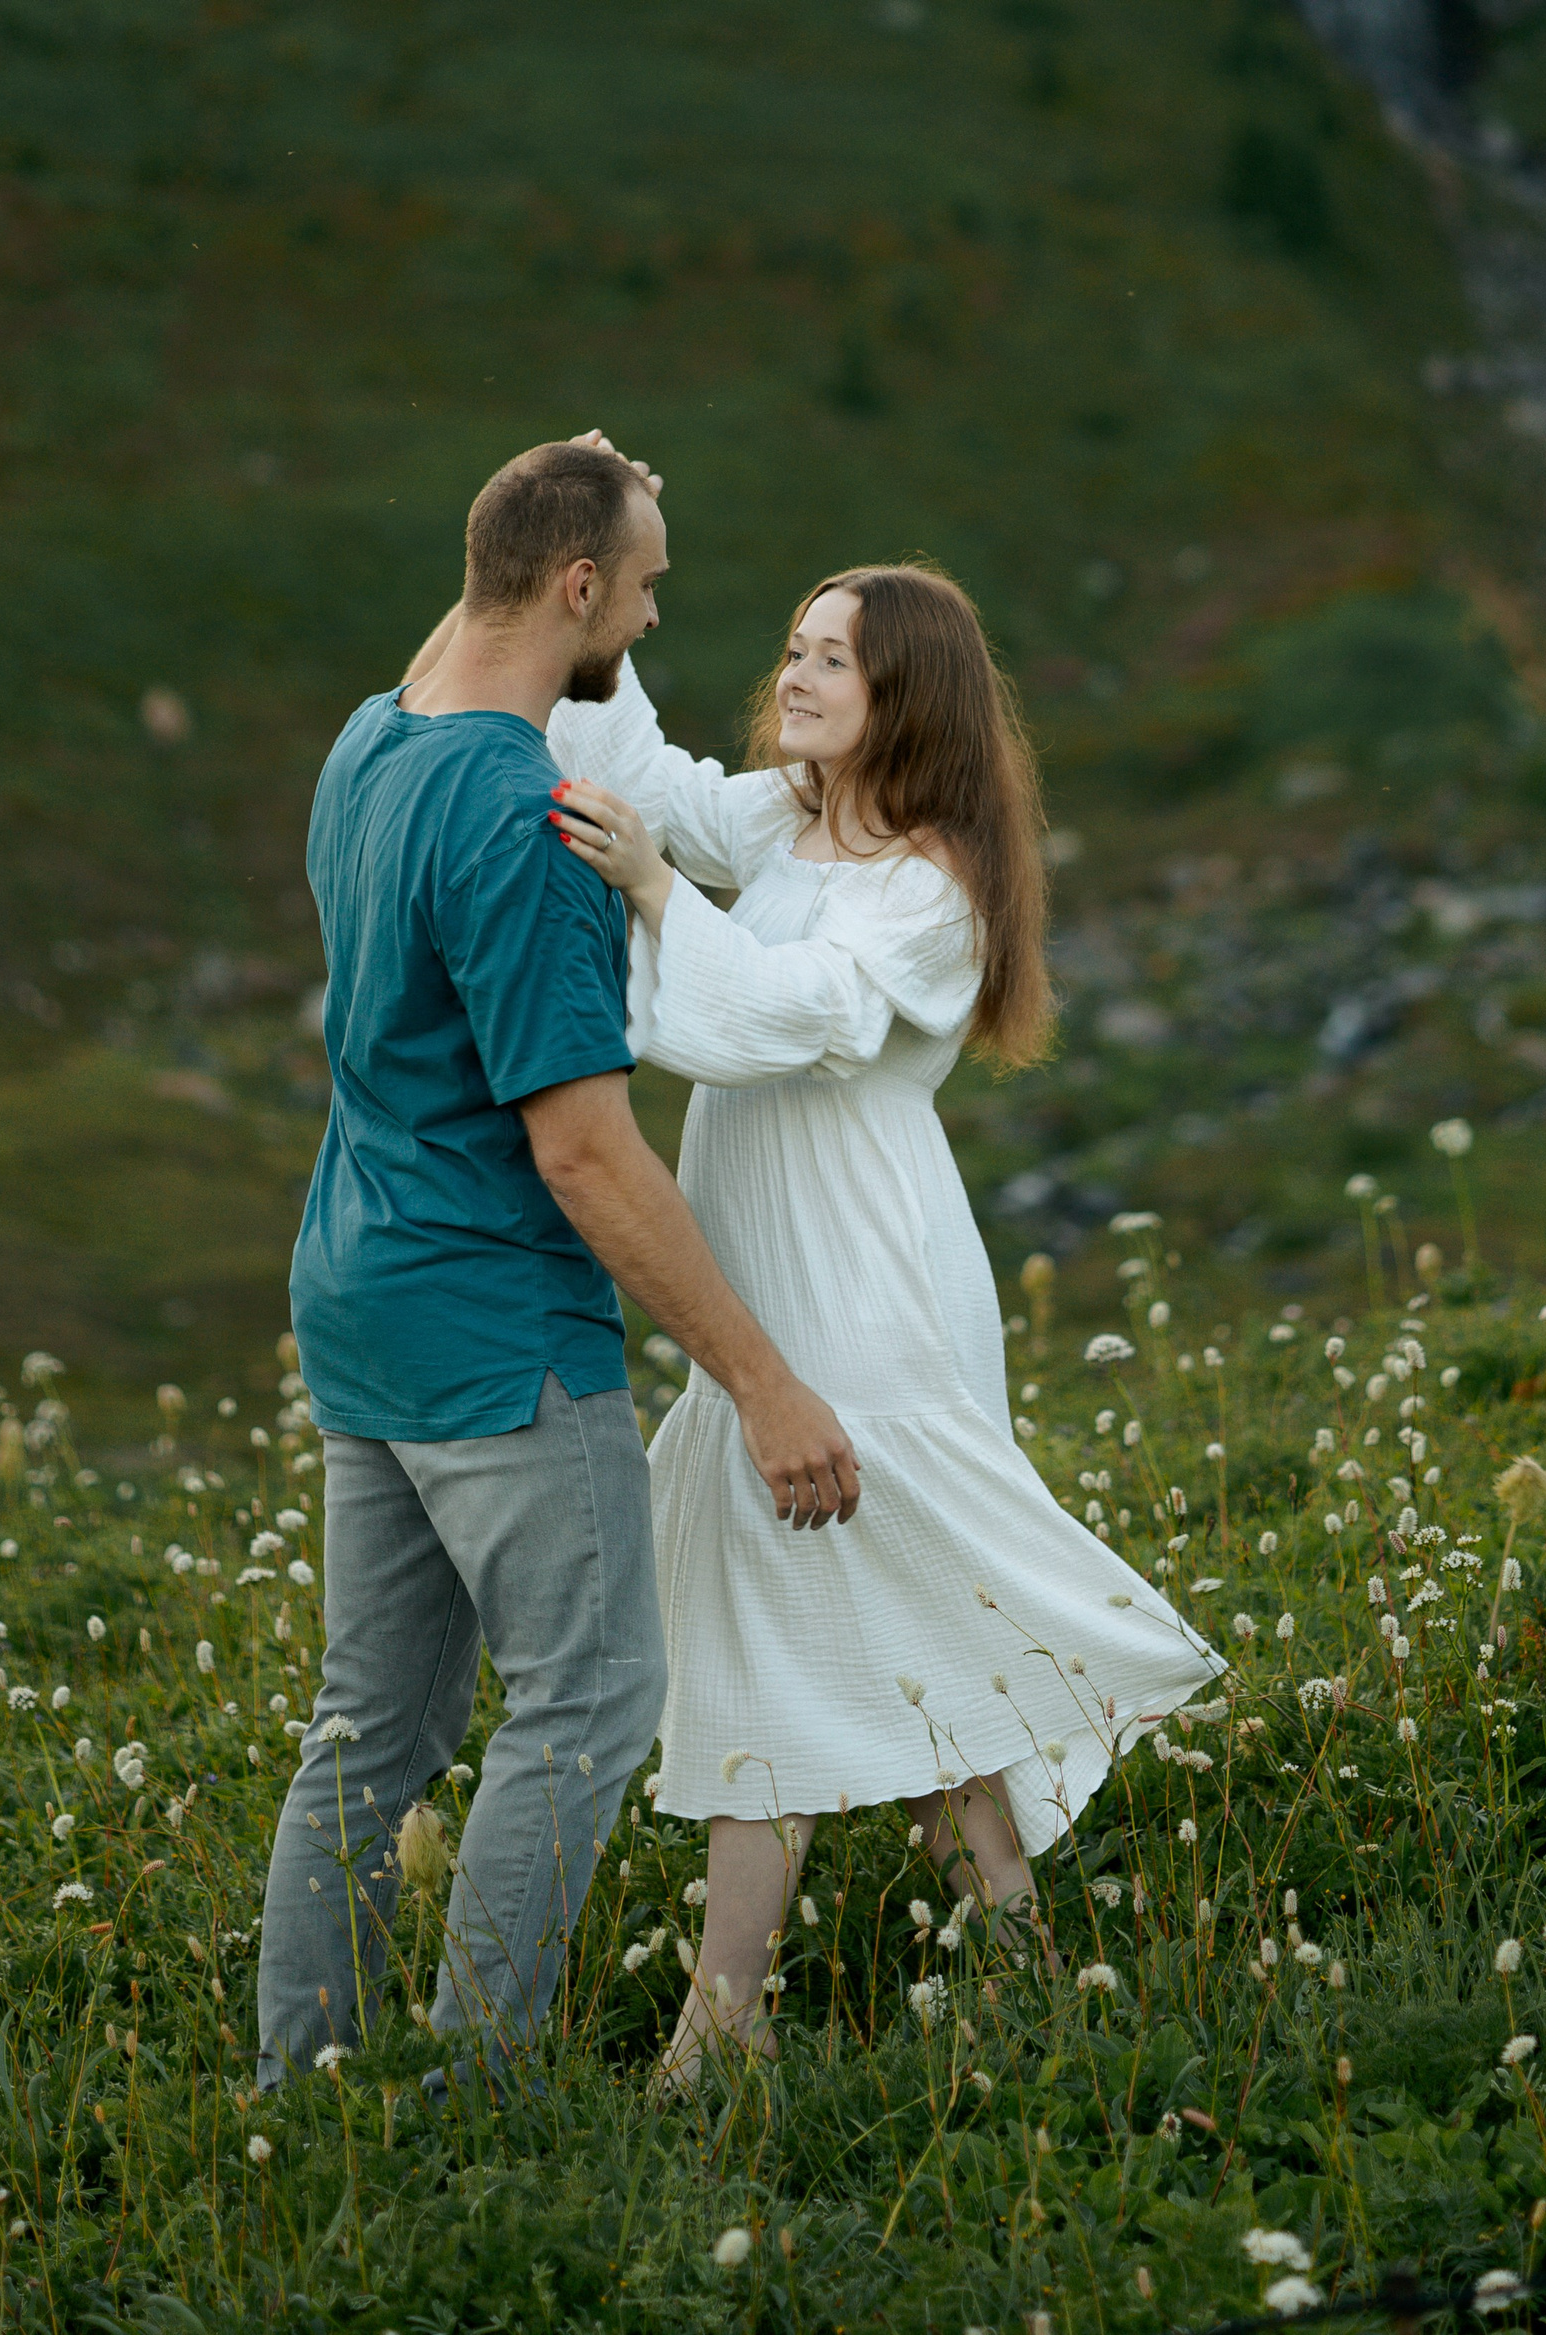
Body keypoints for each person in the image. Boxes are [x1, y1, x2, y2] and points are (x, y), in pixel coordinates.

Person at [546, 561, 1222, 2086]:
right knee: (918, 1636)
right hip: (782, 1301)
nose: (795, 676)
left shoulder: (934, 886)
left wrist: (658, 892)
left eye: (833, 660)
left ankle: (716, 2036)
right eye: (793, 648)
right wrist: (587, 618)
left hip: (864, 1299)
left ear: (903, 693)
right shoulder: (787, 819)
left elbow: (794, 1015)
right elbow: (639, 774)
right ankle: (1022, 1967)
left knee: (789, 1636)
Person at [256, 435, 860, 2091]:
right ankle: (477, 2093)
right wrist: (764, 1385)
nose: (652, 623)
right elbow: (585, 1150)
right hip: (497, 1330)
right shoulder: (528, 823)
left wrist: (570, 479)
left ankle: (299, 2090)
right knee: (590, 1699)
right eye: (645, 588)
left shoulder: (372, 744)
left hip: (358, 1301)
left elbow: (484, 613)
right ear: (580, 589)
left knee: (370, 1736)